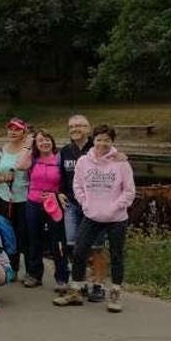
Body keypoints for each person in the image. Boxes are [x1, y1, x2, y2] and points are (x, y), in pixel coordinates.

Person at [54, 125, 135, 313]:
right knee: (79, 251)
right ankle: (76, 290)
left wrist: (112, 208)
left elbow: (129, 192)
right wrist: (85, 203)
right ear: (94, 140)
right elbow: (77, 185)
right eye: (99, 139)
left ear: (112, 141)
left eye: (107, 140)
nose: (103, 143)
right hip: (91, 215)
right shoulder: (83, 161)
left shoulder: (121, 163)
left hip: (116, 218)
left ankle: (115, 293)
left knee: (116, 255)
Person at [60, 115, 109, 302]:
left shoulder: (99, 147)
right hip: (72, 205)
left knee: (96, 247)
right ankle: (79, 282)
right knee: (72, 245)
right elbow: (61, 177)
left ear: (89, 129)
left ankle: (98, 285)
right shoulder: (65, 151)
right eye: (71, 126)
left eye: (79, 125)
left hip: (95, 207)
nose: (75, 129)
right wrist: (59, 192)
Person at [24, 129, 69, 290]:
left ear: (53, 141)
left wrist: (57, 194)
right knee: (34, 239)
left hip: (54, 203)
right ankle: (34, 274)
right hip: (33, 203)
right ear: (36, 144)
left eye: (48, 139)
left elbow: (67, 180)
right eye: (40, 140)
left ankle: (62, 277)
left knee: (57, 241)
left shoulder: (59, 158)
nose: (44, 142)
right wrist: (28, 146)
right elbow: (20, 166)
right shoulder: (33, 159)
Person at [0, 117, 32, 274]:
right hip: (4, 198)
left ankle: (31, 271)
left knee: (25, 234)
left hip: (25, 199)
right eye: (10, 129)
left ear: (24, 131)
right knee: (6, 233)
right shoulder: (0, 151)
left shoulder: (29, 151)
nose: (13, 132)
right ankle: (10, 268)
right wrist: (3, 178)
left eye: (17, 129)